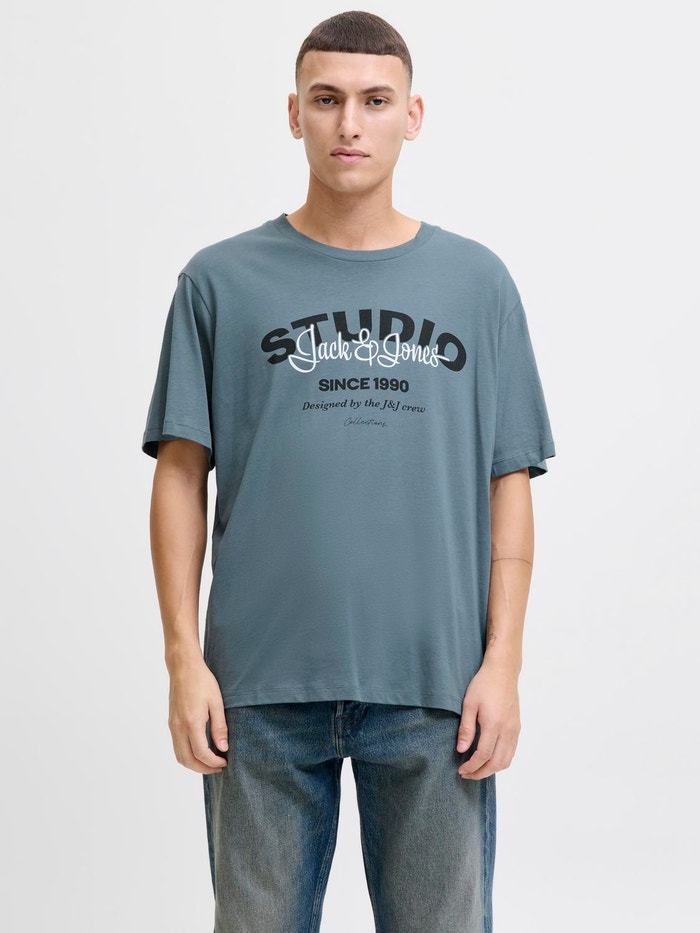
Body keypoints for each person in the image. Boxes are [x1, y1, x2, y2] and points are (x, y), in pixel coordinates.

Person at [141, 10, 556, 932]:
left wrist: (503, 663)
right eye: (327, 100)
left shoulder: (477, 285)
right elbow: (179, 473)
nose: (350, 124)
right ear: (295, 113)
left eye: (375, 101)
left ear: (414, 114)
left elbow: (509, 483)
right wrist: (182, 659)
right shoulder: (220, 282)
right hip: (257, 689)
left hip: (435, 690)